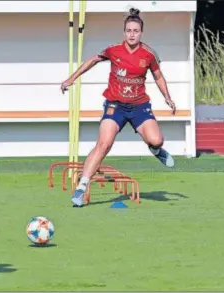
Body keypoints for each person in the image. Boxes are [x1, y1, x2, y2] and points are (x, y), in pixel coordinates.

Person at [61, 8, 176, 208]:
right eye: (129, 30)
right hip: (115, 105)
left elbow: (158, 77)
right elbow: (92, 61)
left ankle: (155, 150)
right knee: (104, 144)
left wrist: (168, 98)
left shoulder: (148, 54)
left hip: (139, 105)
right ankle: (81, 187)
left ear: (141, 32)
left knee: (157, 140)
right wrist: (72, 78)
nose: (132, 34)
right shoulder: (113, 50)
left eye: (136, 31)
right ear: (124, 32)